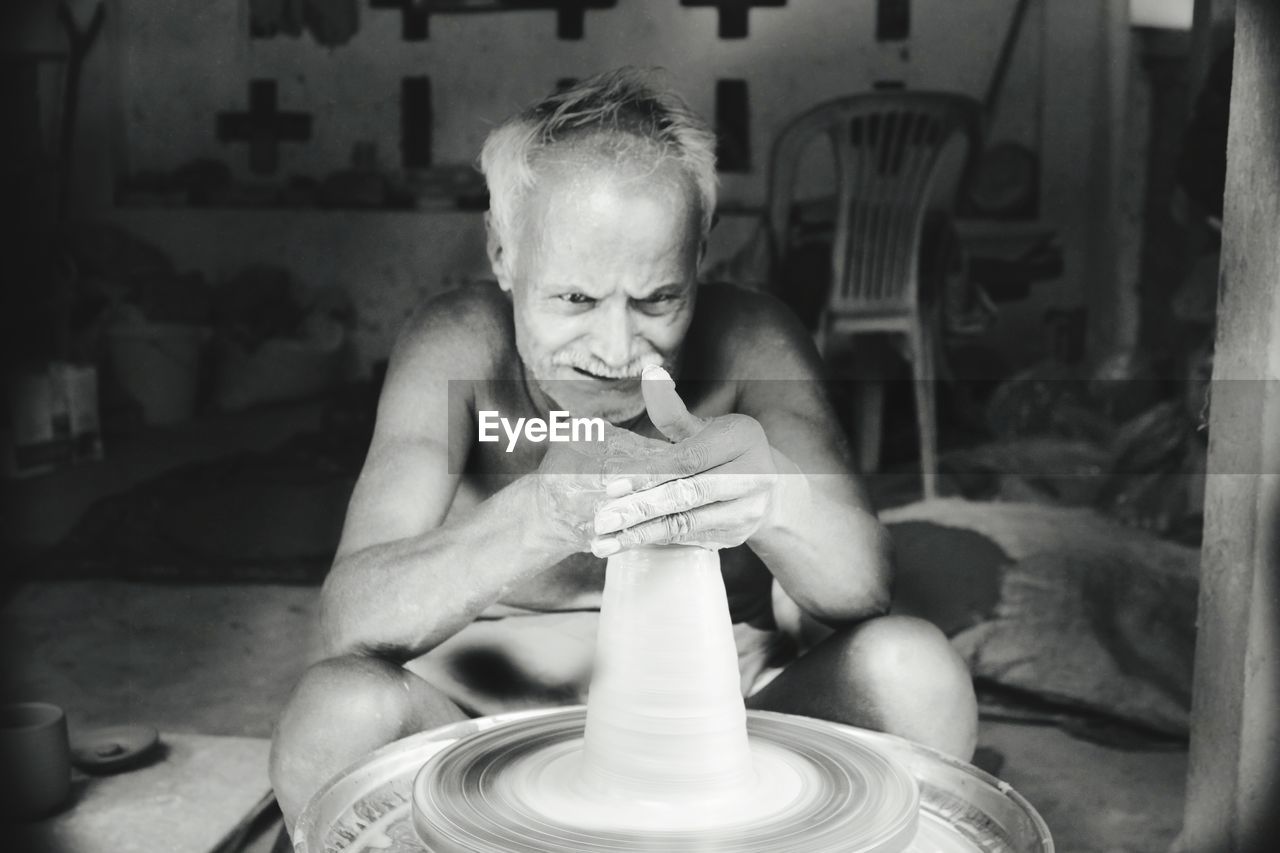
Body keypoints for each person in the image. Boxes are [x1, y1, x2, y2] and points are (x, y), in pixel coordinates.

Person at [269, 67, 977, 834]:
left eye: (657, 299)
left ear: (700, 255)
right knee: (334, 714)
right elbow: (345, 623)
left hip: (712, 726)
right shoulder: (457, 344)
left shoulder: (751, 339)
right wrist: (540, 512)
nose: (615, 349)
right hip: (482, 716)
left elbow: (865, 584)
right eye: (574, 300)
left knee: (916, 673)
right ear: (503, 254)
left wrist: (773, 492)